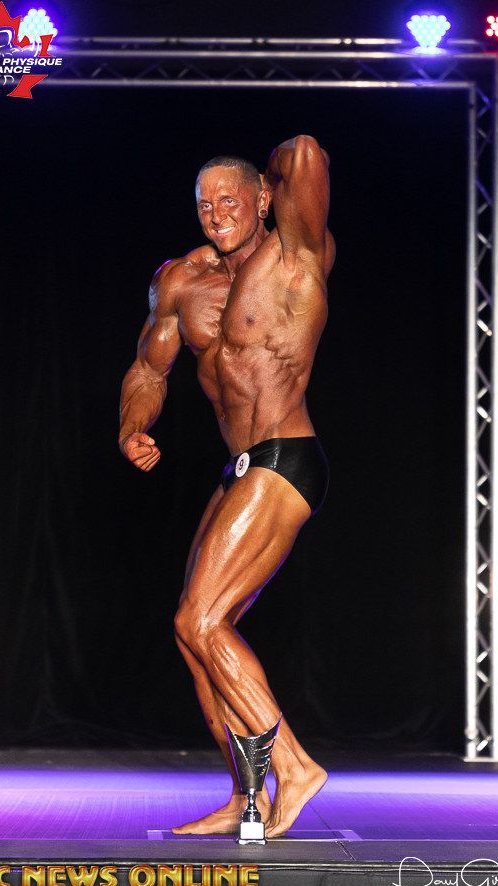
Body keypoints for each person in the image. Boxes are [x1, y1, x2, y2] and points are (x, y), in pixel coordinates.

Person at [119, 135, 335, 838]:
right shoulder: (182, 281)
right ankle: (248, 800)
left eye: (229, 199)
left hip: (286, 458)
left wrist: (269, 178)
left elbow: (306, 153)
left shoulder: (295, 255)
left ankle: (294, 768)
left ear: (264, 198)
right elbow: (148, 370)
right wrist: (133, 426)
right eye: (204, 204)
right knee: (194, 635)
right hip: (239, 470)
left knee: (201, 619)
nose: (215, 214)